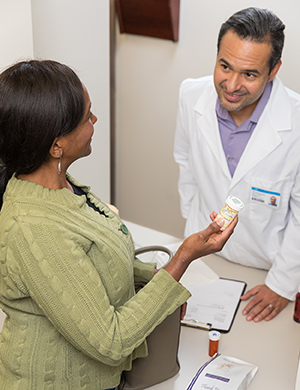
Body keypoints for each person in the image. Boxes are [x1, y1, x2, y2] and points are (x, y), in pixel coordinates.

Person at [0, 60, 237, 390]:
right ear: (56, 145)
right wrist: (182, 258)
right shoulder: (36, 229)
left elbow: (97, 262)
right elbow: (110, 342)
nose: (95, 121)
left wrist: (156, 281)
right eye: (87, 117)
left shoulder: (60, 188)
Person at [174, 7, 300, 324]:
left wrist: (281, 285)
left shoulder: (295, 122)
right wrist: (193, 220)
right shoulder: (191, 96)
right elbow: (185, 163)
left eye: (249, 74)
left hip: (267, 268)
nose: (231, 85)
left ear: (273, 71)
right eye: (224, 66)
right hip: (204, 257)